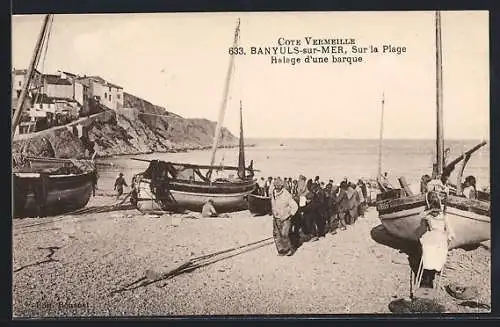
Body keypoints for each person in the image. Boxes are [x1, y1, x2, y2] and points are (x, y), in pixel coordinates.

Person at [419, 191, 455, 288]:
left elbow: (449, 229)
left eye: (436, 211)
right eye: (433, 211)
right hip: (431, 235)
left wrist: (450, 235)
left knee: (438, 252)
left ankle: (431, 275)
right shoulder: (428, 216)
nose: (434, 213)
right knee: (427, 250)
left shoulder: (443, 216)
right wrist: (429, 211)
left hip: (440, 236)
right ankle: (427, 276)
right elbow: (421, 216)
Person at [271, 177, 299, 256]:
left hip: (285, 218)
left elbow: (295, 206)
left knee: (284, 234)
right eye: (275, 185)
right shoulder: (273, 193)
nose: (276, 187)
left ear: (281, 186)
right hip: (276, 218)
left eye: (278, 186)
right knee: (277, 235)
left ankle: (288, 249)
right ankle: (281, 250)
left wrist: (290, 214)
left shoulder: (286, 195)